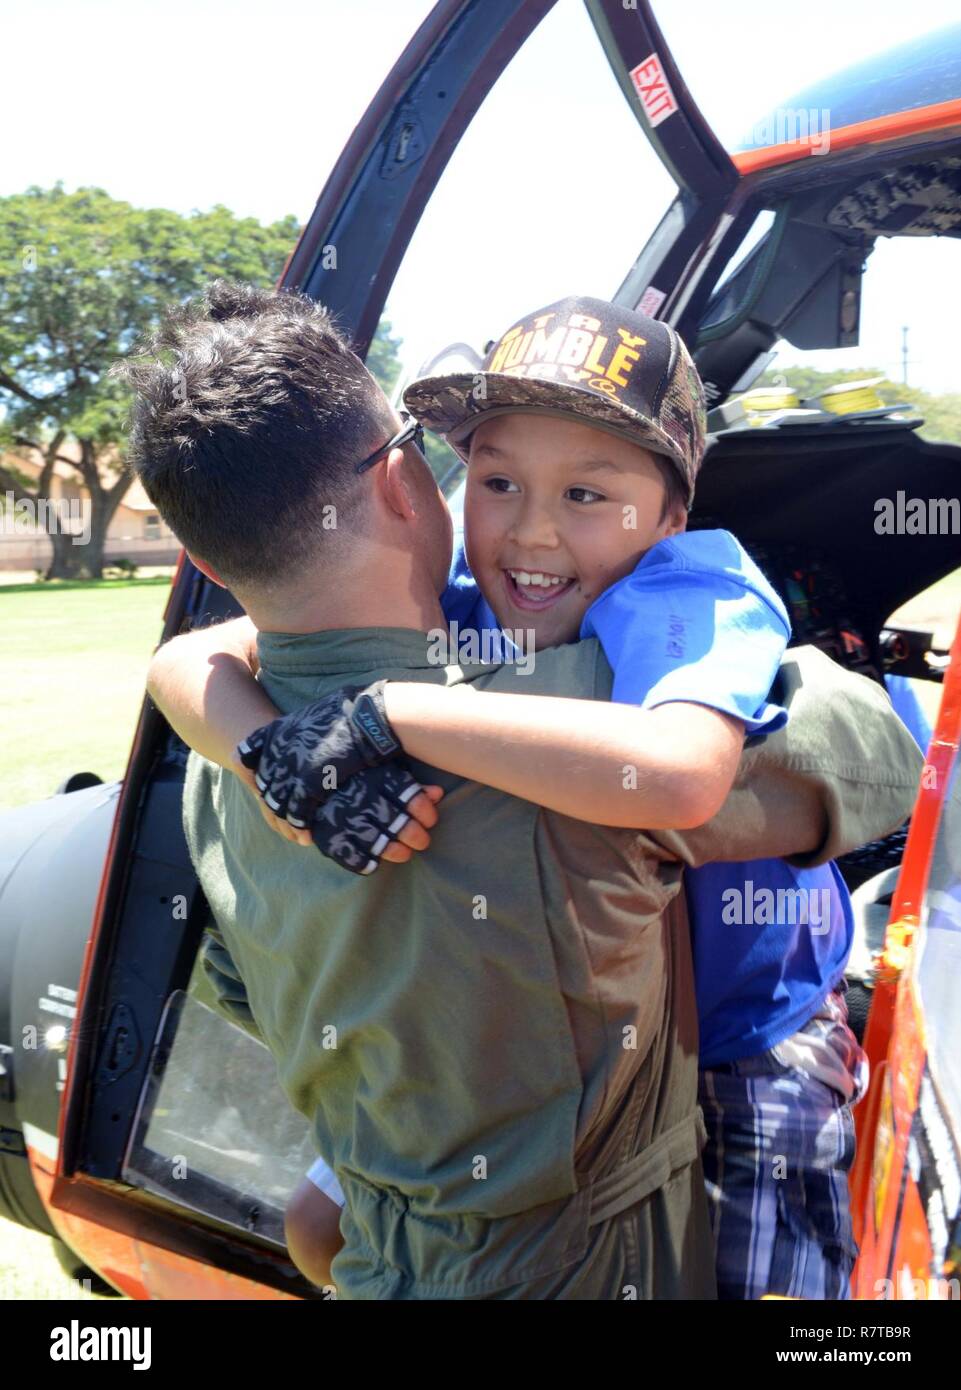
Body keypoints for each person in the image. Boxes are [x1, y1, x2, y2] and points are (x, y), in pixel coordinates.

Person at [135, 283, 922, 1299]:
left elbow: (679, 771)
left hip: (753, 1030)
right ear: (416, 490)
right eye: (497, 482)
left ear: (672, 515)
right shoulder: (466, 609)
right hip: (592, 1113)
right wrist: (271, 748)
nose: (532, 535)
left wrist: (363, 720)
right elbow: (188, 658)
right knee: (314, 1218)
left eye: (586, 495)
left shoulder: (689, 591)